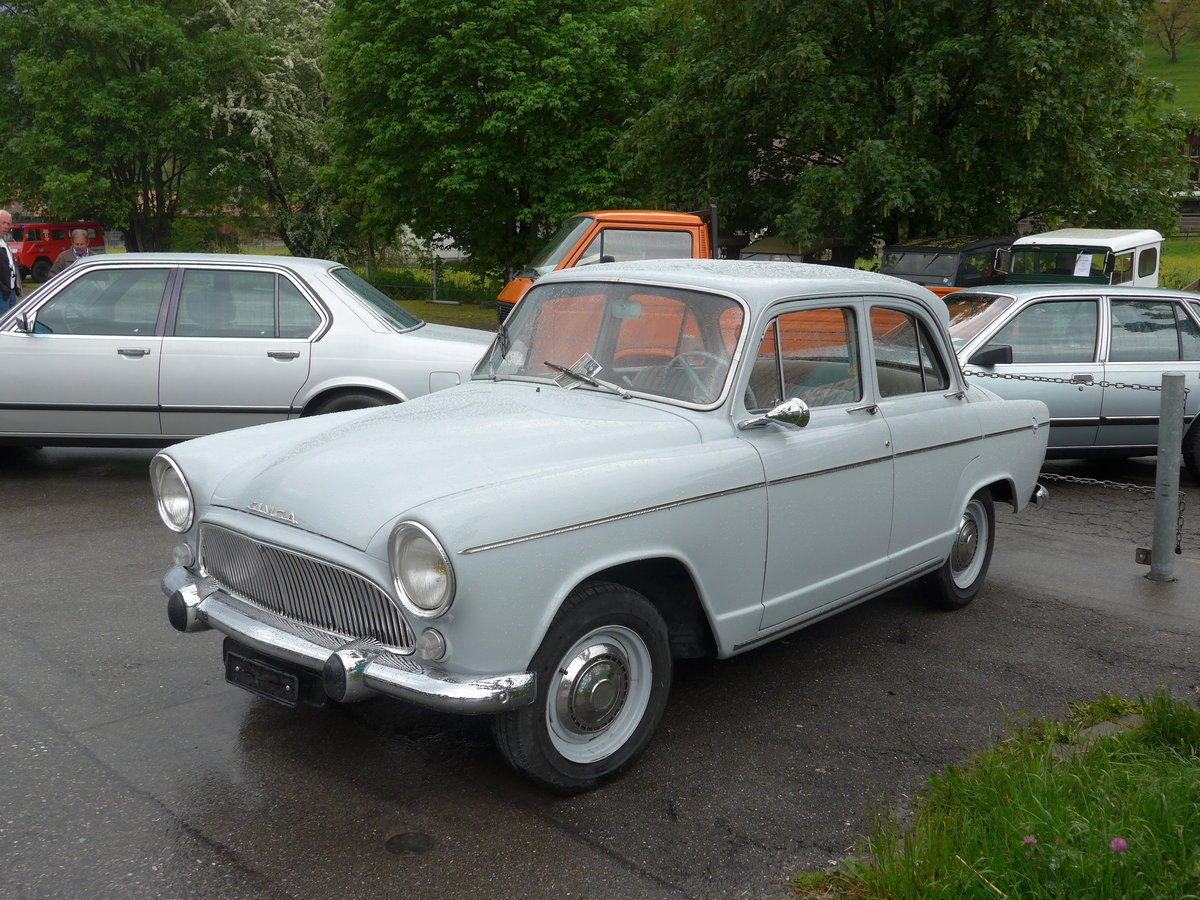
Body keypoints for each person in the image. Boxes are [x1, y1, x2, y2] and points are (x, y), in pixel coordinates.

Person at [0, 209, 23, 312]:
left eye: (8, 224)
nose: (6, 227)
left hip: (10, 292)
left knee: (10, 324)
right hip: (2, 293)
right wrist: (4, 288)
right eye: (3, 223)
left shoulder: (4, 243)